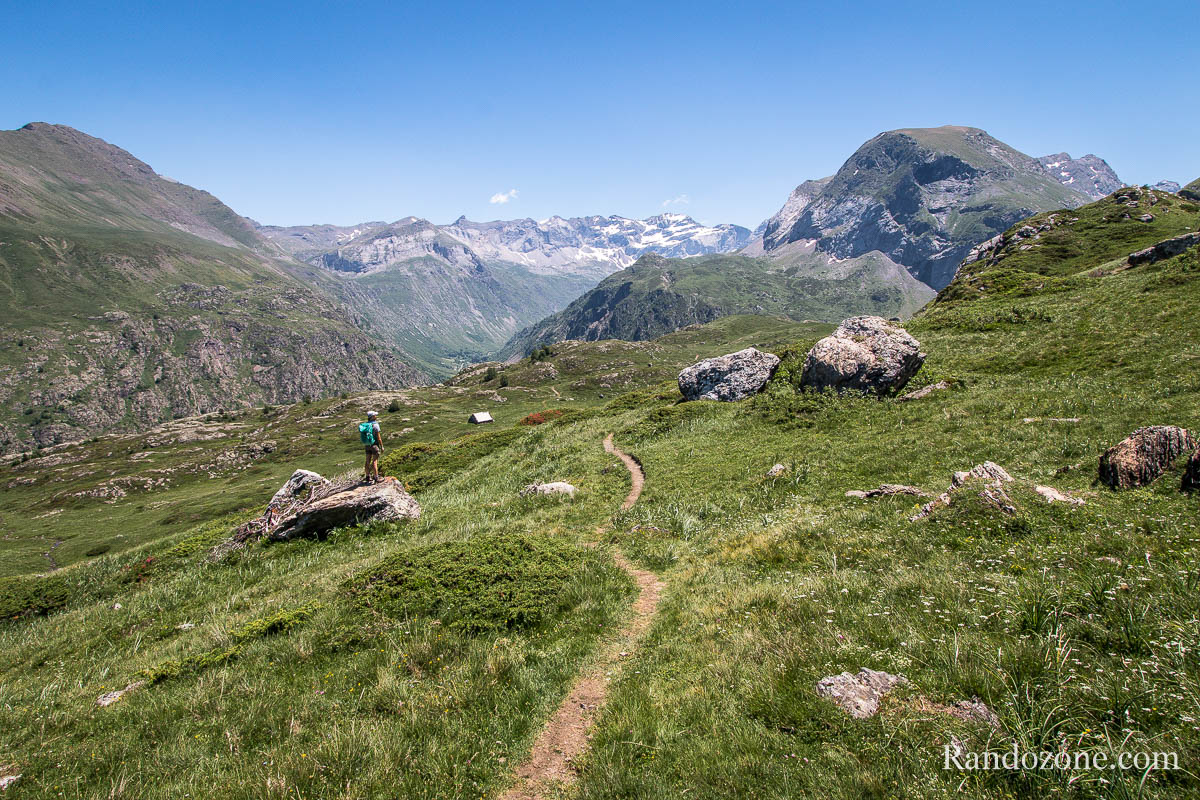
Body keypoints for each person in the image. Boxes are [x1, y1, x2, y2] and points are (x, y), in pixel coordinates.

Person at [360, 410, 383, 483]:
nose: (376, 416)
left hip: (367, 445)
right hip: (374, 445)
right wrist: (382, 446)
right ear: (372, 417)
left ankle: (367, 477)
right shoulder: (375, 425)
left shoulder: (366, 425)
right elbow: (379, 438)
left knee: (367, 461)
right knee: (374, 461)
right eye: (375, 415)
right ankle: (376, 478)